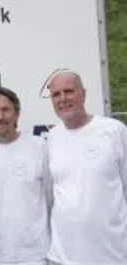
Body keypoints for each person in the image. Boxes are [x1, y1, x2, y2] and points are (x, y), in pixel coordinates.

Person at [46, 70, 127, 265]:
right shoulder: (52, 137)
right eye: (56, 94)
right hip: (62, 258)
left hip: (111, 255)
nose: (63, 99)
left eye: (69, 91)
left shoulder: (114, 131)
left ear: (84, 93)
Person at [0, 88, 51, 265]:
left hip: (36, 254)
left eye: (6, 109)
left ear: (17, 114)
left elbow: (51, 198)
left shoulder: (39, 147)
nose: (0, 116)